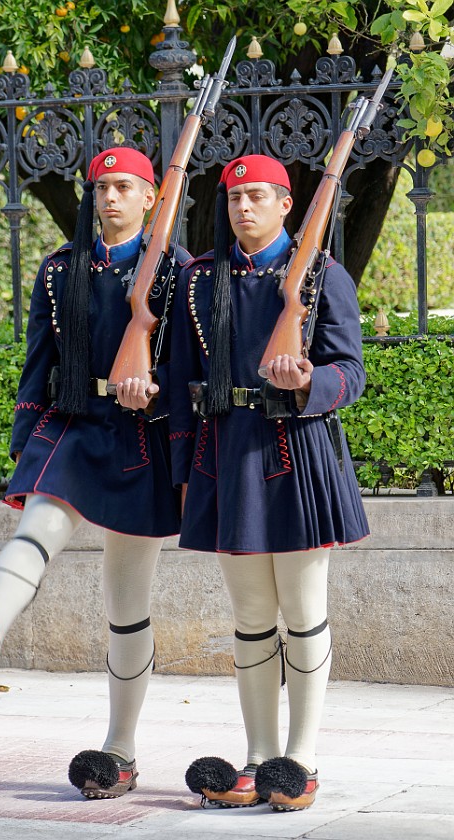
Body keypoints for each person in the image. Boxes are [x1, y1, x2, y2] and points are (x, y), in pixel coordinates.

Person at [0, 147, 191, 800]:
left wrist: (157, 391)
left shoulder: (176, 274)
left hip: (144, 439)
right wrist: (28, 449)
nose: (109, 198)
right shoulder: (60, 272)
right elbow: (36, 364)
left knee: (126, 604)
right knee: (40, 526)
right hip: (79, 422)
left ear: (150, 199)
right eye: (101, 187)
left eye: (124, 187)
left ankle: (122, 750)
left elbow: (193, 371)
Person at [169, 154, 369, 811]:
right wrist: (181, 478)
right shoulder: (201, 283)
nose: (242, 208)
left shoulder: (320, 276)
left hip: (298, 452)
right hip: (227, 455)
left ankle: (301, 762)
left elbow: (351, 371)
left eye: (257, 197)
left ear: (287, 204)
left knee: (304, 613)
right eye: (233, 198)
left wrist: (312, 382)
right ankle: (258, 758)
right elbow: (177, 387)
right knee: (252, 619)